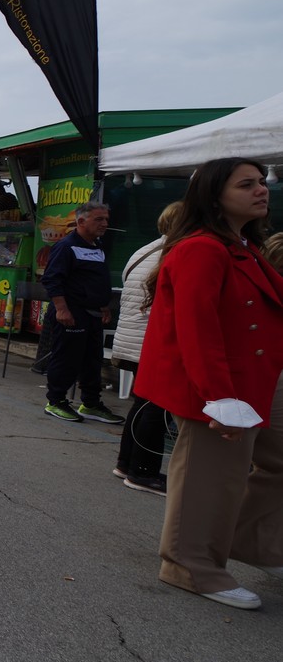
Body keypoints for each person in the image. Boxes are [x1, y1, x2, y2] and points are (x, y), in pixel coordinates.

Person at [134, 157, 283, 611]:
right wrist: (219, 398)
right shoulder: (202, 249)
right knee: (210, 477)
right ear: (214, 196)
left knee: (274, 462)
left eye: (261, 182)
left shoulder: (241, 245)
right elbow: (197, 329)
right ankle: (189, 566)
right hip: (220, 385)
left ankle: (255, 543)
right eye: (246, 184)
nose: (261, 189)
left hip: (256, 379)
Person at [110, 204, 184, 497]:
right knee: (155, 407)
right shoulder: (173, 254)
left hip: (130, 339)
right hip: (150, 342)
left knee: (142, 404)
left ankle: (127, 463)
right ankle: (143, 471)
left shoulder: (144, 251)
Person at [40, 200, 123, 425]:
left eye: (106, 219)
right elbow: (51, 279)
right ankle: (56, 401)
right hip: (71, 313)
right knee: (66, 359)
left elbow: (94, 279)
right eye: (99, 219)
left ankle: (91, 404)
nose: (104, 223)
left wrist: (103, 305)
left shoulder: (96, 246)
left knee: (92, 361)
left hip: (93, 315)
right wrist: (62, 309)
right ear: (81, 221)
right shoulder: (66, 246)